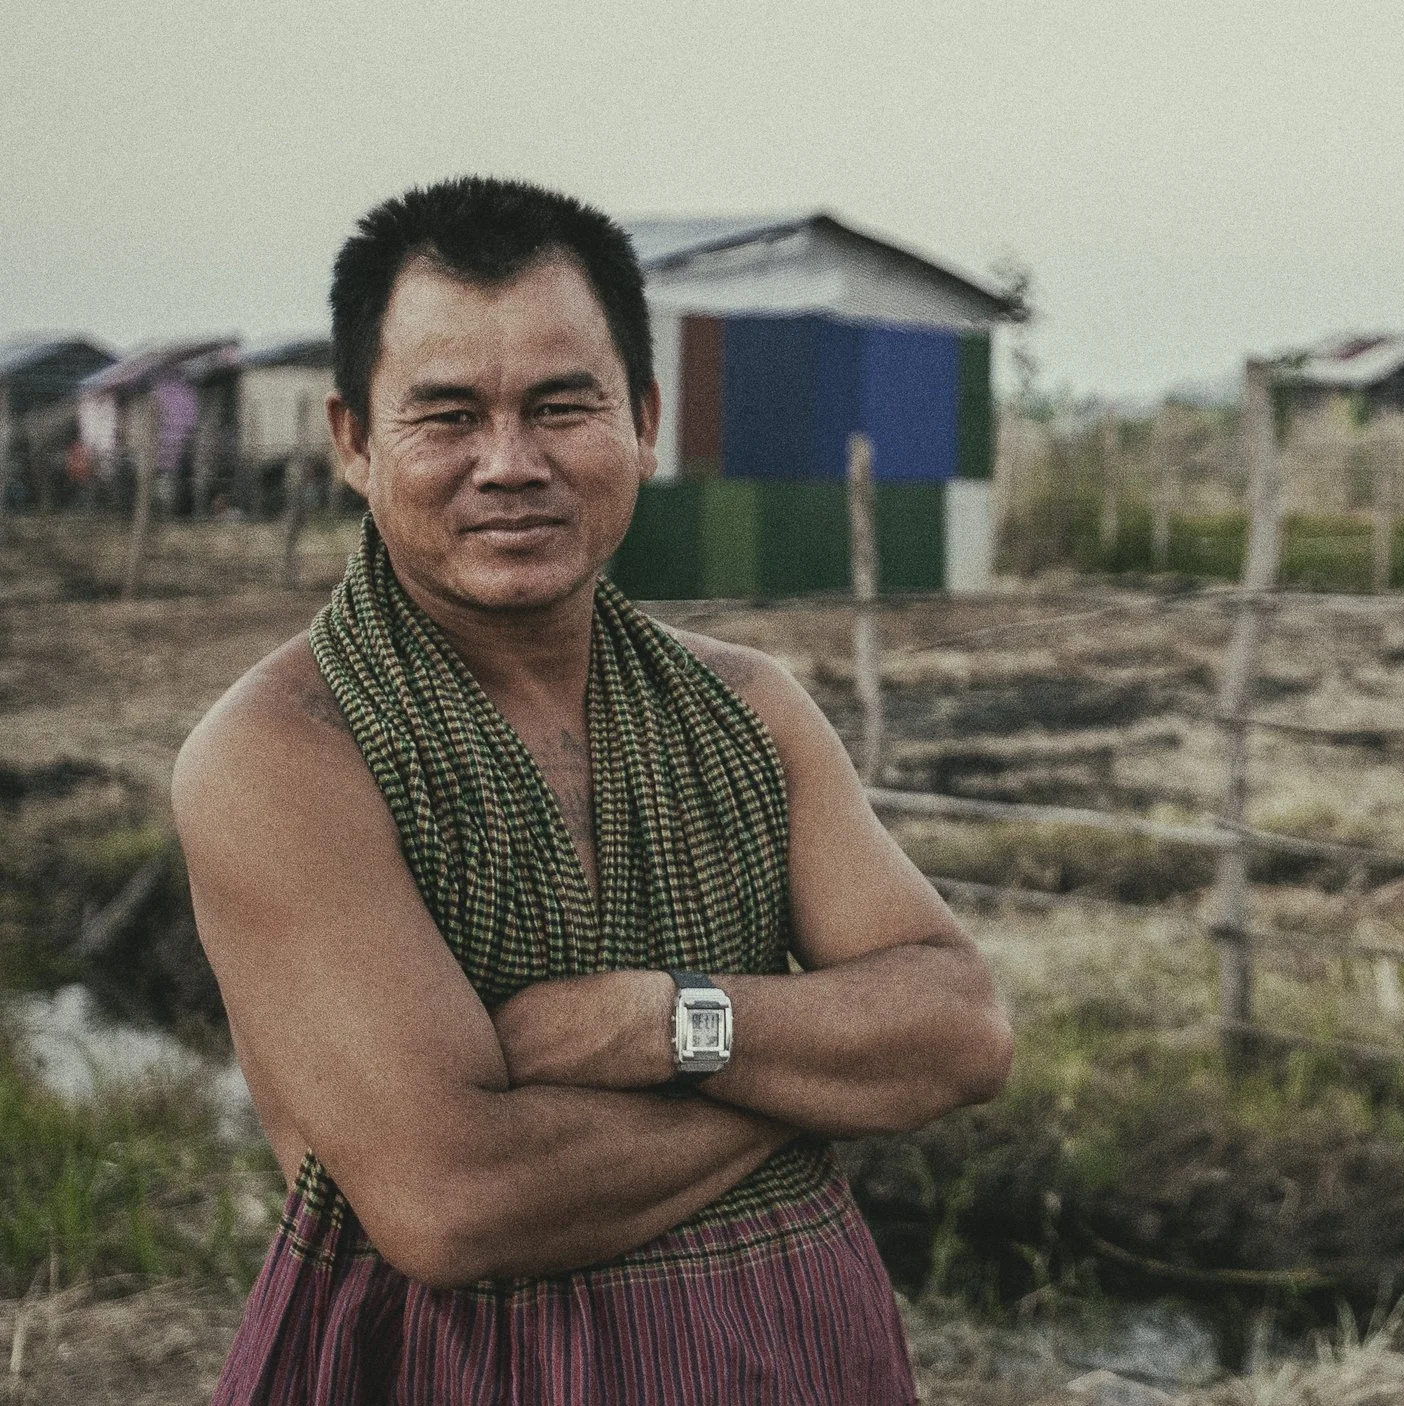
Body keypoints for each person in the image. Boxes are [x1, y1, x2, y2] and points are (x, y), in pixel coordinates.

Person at [174, 176, 1013, 1403]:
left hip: (807, 1358)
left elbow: (960, 1029)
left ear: (646, 420)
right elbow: (456, 1199)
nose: (509, 464)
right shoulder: (287, 753)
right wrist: (816, 1080)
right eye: (447, 414)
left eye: (562, 405)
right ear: (353, 440)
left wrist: (659, 1023)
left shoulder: (746, 711)